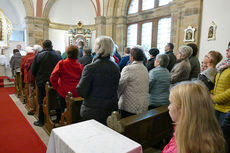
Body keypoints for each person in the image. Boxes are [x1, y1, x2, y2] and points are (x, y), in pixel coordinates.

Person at [162, 81, 226, 153]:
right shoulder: (209, 134)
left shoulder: (182, 146)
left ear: (183, 109)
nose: (169, 107)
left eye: (171, 103)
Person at [76, 36, 120, 125]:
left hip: (92, 110)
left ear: (98, 47)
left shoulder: (90, 68)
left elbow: (81, 91)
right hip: (110, 109)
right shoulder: (115, 67)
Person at [31, 40, 62, 126]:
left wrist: (37, 77)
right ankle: (58, 119)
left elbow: (33, 70)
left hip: (42, 81)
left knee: (42, 100)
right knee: (56, 99)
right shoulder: (58, 56)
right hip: (54, 81)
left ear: (43, 46)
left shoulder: (39, 55)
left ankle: (41, 120)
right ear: (52, 46)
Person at [50, 45, 83, 123]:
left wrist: (56, 87)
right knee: (74, 111)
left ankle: (60, 120)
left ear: (67, 53)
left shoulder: (62, 63)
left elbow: (53, 77)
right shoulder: (80, 66)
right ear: (77, 54)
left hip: (63, 91)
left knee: (62, 108)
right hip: (76, 92)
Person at [118, 46, 149, 118]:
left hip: (129, 106)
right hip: (142, 105)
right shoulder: (144, 68)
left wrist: (117, 97)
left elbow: (120, 85)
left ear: (132, 57)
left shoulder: (128, 68)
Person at [212, 42, 230, 124]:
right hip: (217, 107)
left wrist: (214, 98)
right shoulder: (224, 65)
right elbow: (218, 84)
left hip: (227, 110)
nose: (227, 50)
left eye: (229, 48)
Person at [24, 45, 43, 115]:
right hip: (40, 78)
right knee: (39, 93)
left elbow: (26, 67)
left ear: (35, 51)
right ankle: (39, 108)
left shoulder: (30, 59)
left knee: (31, 93)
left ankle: (32, 109)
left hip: (32, 78)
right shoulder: (43, 58)